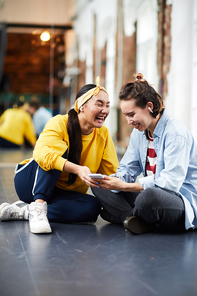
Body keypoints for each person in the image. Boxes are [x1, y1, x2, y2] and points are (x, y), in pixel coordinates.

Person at [0, 77, 119, 234]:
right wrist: (77, 169)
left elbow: (111, 171)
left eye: (107, 105)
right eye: (99, 104)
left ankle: (27, 211)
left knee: (92, 207)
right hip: (30, 182)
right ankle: (39, 204)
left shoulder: (103, 134)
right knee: (55, 152)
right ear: (81, 106)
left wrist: (124, 200)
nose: (105, 110)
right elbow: (42, 154)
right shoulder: (60, 122)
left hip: (62, 193)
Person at [91, 73, 197, 234]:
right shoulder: (138, 133)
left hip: (180, 201)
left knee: (148, 197)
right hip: (151, 194)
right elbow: (127, 169)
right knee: (100, 185)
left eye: (131, 114)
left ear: (149, 106)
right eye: (126, 115)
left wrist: (125, 186)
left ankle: (125, 216)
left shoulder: (176, 133)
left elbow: (170, 183)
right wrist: (113, 181)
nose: (128, 121)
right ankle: (137, 220)